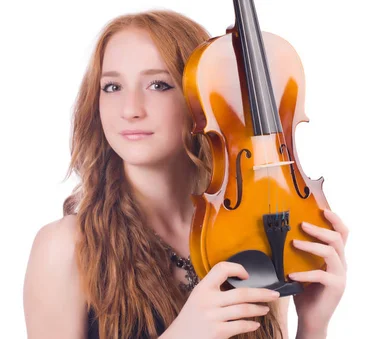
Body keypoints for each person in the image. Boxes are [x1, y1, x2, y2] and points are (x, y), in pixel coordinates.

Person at [23, 10, 348, 339]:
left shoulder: (254, 229)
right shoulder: (63, 247)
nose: (130, 108)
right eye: (112, 86)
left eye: (159, 84)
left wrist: (313, 323)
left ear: (201, 97)